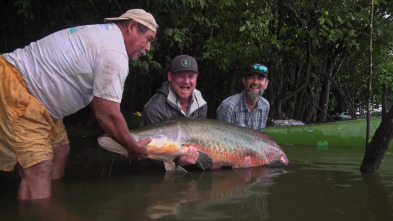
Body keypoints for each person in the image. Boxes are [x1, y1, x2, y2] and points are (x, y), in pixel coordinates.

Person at [0, 9, 158, 200]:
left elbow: (98, 100)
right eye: (148, 39)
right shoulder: (114, 53)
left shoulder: (104, 34)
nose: (148, 48)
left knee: (59, 150)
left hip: (40, 103)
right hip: (16, 89)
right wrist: (133, 147)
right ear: (132, 27)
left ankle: (52, 201)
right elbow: (107, 114)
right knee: (39, 167)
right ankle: (39, 210)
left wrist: (123, 141)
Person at [141, 55, 207, 166]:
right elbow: (153, 156)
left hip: (188, 166)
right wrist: (179, 162)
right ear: (170, 76)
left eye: (190, 76)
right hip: (155, 172)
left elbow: (203, 145)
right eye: (181, 76)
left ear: (196, 78)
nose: (186, 81)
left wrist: (212, 162)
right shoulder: (154, 108)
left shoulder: (202, 105)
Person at [216, 63, 270, 131]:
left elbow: (260, 135)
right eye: (251, 77)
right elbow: (223, 138)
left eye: (260, 78)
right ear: (244, 81)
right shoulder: (228, 107)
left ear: (266, 84)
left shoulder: (265, 105)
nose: (255, 82)